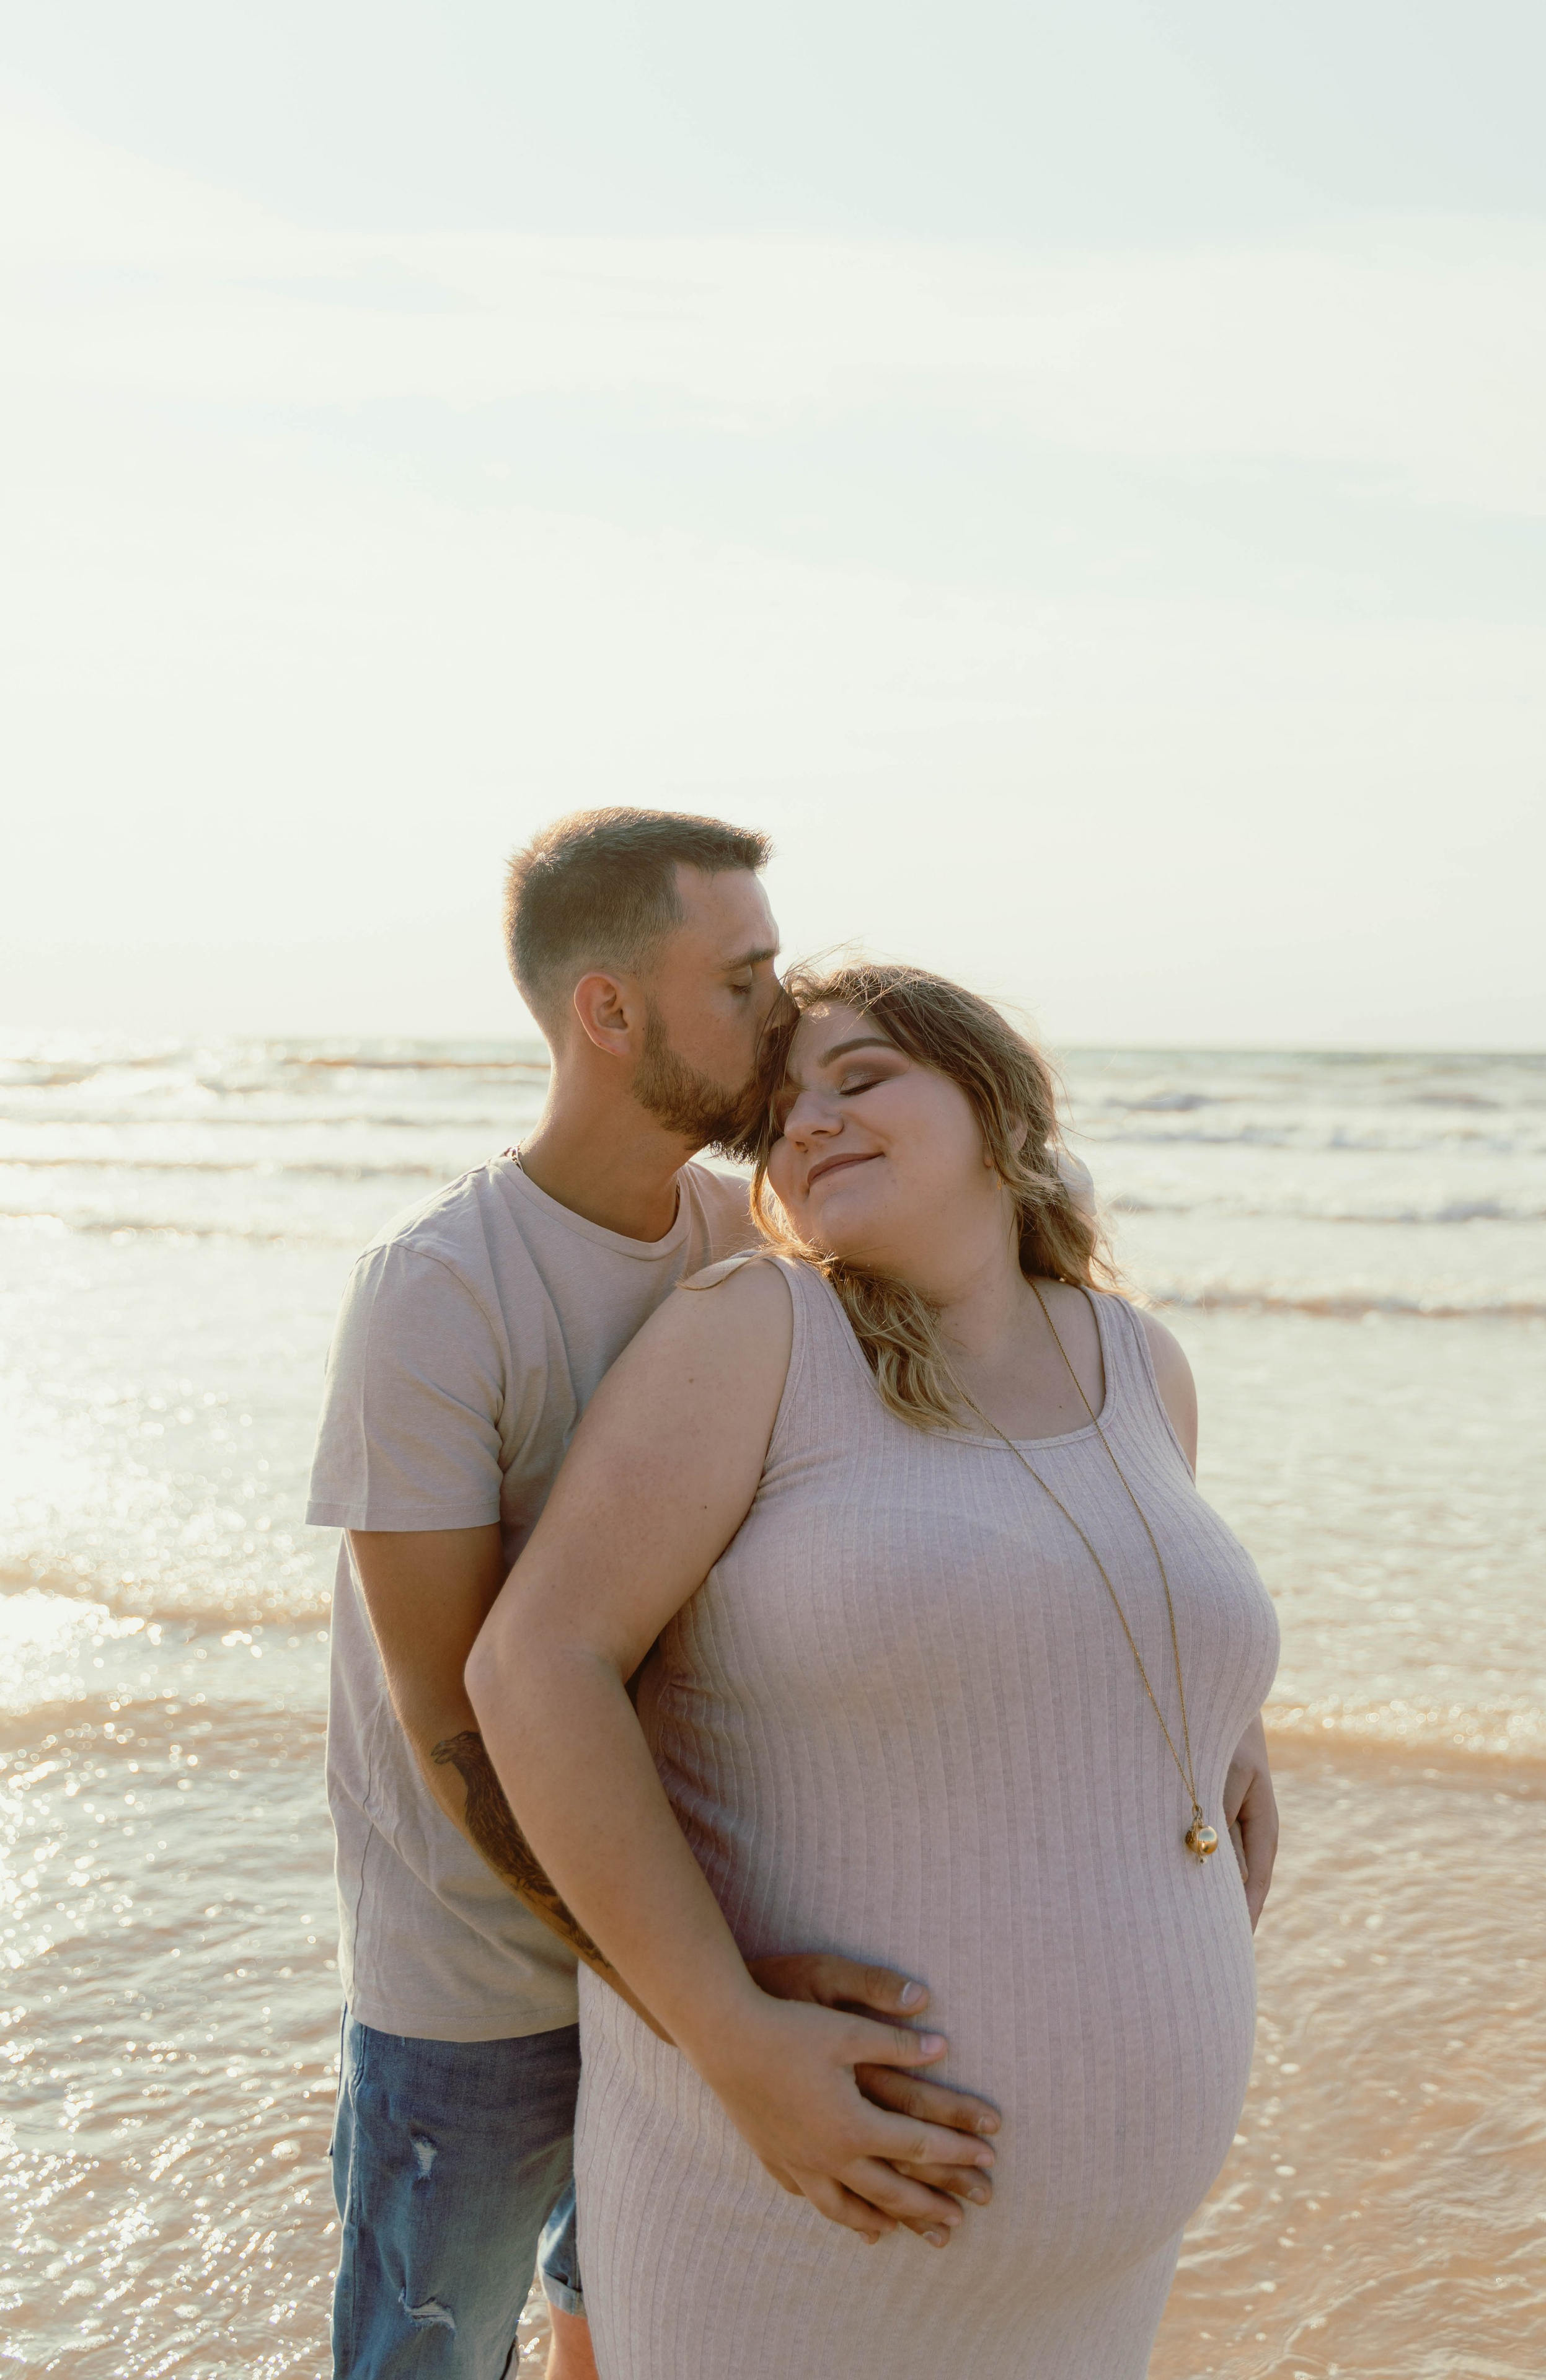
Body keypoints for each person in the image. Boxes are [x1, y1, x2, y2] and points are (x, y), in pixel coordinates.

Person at [467, 959, 1281, 2380]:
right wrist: (725, 2036)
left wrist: (1225, 1725)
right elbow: (534, 1669)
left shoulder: (1139, 1360)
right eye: (781, 1114)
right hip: (797, 2211)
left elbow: (1084, 1610)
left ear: (996, 1106)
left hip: (1097, 2276)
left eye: (860, 1080)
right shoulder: (757, 1334)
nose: (811, 1125)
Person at [306, 832, 999, 2380]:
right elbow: (456, 1730)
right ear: (611, 1014)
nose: (786, 1012)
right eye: (744, 982)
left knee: (620, 2339)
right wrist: (709, 2009)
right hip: (477, 1990)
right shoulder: (440, 1290)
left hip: (684, 1946)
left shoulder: (746, 1248)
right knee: (422, 2359)